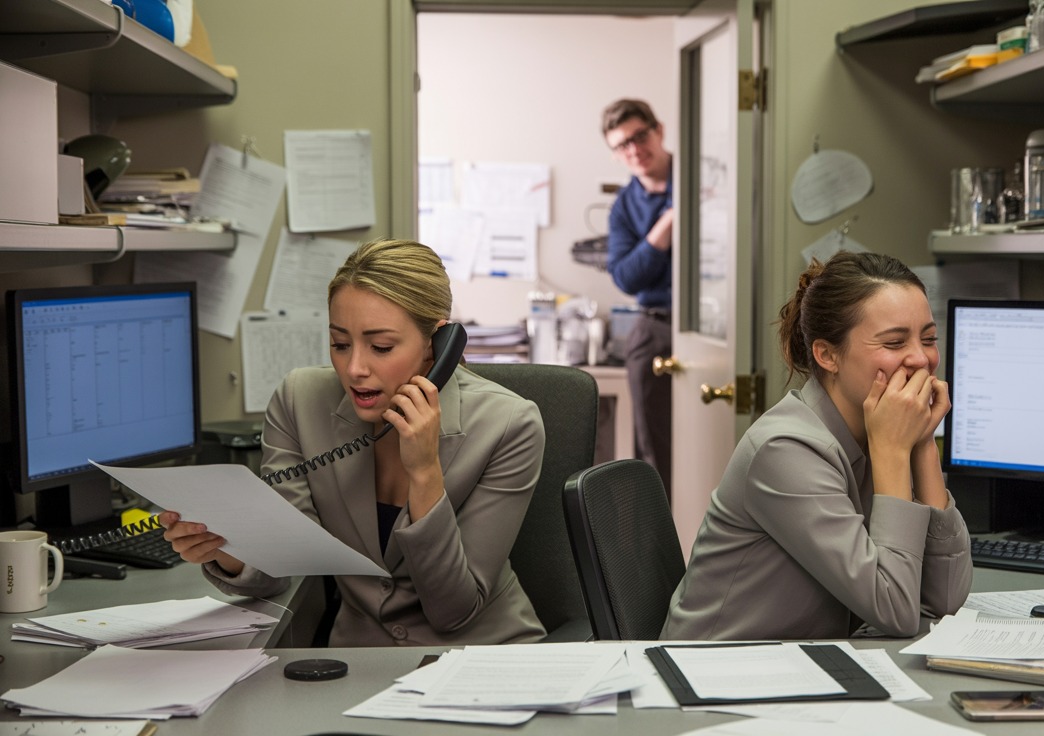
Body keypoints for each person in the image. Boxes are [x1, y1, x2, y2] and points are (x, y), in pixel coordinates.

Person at [162, 238, 547, 647]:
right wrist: (224, 549)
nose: (355, 368)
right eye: (340, 344)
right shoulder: (300, 401)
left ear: (437, 345)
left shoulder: (509, 424)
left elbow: (454, 610)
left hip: (482, 659)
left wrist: (425, 471)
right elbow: (283, 561)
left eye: (381, 347)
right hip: (361, 665)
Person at [661, 251, 973, 641]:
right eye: (895, 343)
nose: (922, 359)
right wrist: (895, 452)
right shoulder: (786, 448)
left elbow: (943, 600)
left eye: (928, 338)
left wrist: (924, 442)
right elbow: (897, 610)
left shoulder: (879, 431)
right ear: (827, 355)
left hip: (800, 666)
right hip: (714, 677)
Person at [601, 98, 673, 493]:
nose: (633, 150)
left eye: (639, 136)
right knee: (655, 451)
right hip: (656, 324)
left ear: (658, 130)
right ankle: (663, 541)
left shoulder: (703, 178)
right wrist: (667, 226)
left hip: (713, 327)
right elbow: (627, 277)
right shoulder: (623, 208)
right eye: (621, 145)